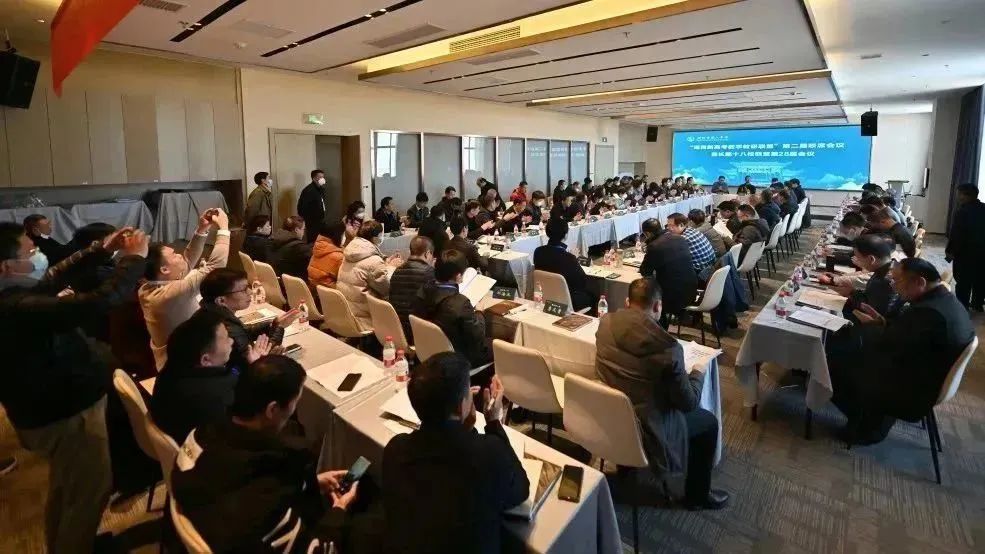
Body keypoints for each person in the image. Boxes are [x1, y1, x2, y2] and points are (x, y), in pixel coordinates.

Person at [0, 223, 149, 554]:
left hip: (49, 409)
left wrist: (101, 249)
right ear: (6, 266)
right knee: (88, 494)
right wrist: (133, 259)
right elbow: (100, 301)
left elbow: (52, 277)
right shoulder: (16, 307)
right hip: (66, 413)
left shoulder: (16, 292)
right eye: (30, 251)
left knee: (67, 490)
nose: (38, 255)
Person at [172, 355, 379, 552]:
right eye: (295, 402)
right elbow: (318, 549)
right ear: (272, 410)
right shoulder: (266, 503)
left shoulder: (200, 435)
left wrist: (309, 483)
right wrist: (339, 510)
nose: (294, 411)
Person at [595, 278, 728, 510]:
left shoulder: (605, 324)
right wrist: (698, 374)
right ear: (657, 306)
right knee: (708, 423)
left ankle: (627, 465)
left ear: (627, 302)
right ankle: (697, 496)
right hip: (650, 426)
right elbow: (688, 403)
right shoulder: (668, 348)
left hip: (611, 416)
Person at [383, 354, 527, 554]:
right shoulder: (489, 452)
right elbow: (520, 490)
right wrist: (493, 423)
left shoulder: (395, 450)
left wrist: (463, 427)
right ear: (461, 407)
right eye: (468, 391)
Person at [829, 258, 974, 444]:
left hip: (912, 390)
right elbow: (906, 336)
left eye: (897, 281)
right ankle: (871, 418)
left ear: (920, 282)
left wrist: (871, 329)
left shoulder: (930, 314)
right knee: (850, 351)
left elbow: (889, 345)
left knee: (832, 366)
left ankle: (866, 427)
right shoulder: (943, 300)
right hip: (923, 374)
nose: (893, 286)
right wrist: (882, 322)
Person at [140, 209, 230, 369]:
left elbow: (186, 262)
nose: (180, 255)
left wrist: (202, 229)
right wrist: (224, 229)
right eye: (174, 255)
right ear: (164, 269)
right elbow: (215, 268)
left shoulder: (147, 287)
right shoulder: (168, 295)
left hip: (180, 361)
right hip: (185, 368)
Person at [150, 310, 249, 444]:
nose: (231, 341)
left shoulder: (171, 370)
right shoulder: (214, 399)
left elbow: (230, 376)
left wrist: (246, 364)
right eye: (226, 338)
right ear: (206, 360)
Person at [197, 268, 297, 373]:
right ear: (221, 300)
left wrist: (273, 324)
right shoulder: (224, 327)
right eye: (244, 290)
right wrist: (280, 328)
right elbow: (259, 364)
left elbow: (243, 331)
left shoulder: (210, 311)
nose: (250, 292)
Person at [413, 250, 493, 369]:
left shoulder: (423, 291)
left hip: (429, 350)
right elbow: (478, 336)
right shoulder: (460, 303)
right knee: (499, 344)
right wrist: (480, 312)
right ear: (458, 276)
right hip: (458, 357)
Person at [338, 221, 401, 331]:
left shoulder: (350, 252)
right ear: (375, 238)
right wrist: (392, 267)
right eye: (381, 235)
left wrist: (385, 262)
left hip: (347, 311)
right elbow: (386, 289)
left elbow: (366, 269)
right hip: (364, 316)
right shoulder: (374, 261)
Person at [818, 234, 897, 319]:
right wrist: (852, 292)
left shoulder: (884, 280)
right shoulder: (889, 268)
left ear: (871, 259)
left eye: (858, 257)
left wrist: (850, 293)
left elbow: (869, 311)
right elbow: (868, 296)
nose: (856, 260)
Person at [639, 219, 696, 326]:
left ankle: (658, 327)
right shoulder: (679, 238)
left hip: (673, 295)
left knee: (644, 292)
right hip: (691, 289)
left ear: (648, 234)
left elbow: (645, 272)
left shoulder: (655, 246)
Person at [533, 218, 596, 313]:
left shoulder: (538, 252)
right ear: (566, 235)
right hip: (567, 300)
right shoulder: (568, 257)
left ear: (547, 232)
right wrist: (575, 259)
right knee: (594, 295)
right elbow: (581, 282)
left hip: (545, 297)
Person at [946, 183, 985, 311]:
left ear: (965, 196)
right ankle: (977, 304)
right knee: (980, 279)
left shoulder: (962, 212)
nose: (958, 197)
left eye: (959, 194)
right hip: (982, 253)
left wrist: (950, 252)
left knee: (963, 281)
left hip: (965, 254)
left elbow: (957, 236)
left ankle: (962, 307)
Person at [389, 236, 436, 341]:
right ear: (427, 253)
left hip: (397, 328)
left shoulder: (397, 271)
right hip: (418, 331)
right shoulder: (429, 273)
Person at [308, 222, 347, 289]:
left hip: (314, 289)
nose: (344, 237)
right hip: (330, 291)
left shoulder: (317, 248)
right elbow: (345, 280)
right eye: (343, 234)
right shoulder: (338, 256)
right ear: (337, 234)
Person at [297, 169, 327, 242]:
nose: (322, 179)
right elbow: (302, 207)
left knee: (320, 241)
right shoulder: (308, 190)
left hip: (320, 220)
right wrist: (308, 219)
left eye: (323, 177)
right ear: (314, 178)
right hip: (312, 222)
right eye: (320, 177)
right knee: (313, 241)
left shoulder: (321, 189)